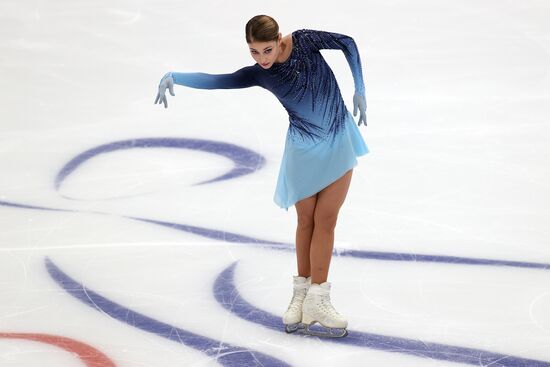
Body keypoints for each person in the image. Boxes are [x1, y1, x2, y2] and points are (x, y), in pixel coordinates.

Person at [155, 14, 369, 338]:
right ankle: (301, 297)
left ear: (280, 39)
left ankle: (319, 297)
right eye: (254, 52)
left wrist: (360, 89)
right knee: (306, 222)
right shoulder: (260, 75)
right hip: (302, 151)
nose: (262, 59)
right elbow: (219, 80)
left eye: (266, 50)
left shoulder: (305, 41)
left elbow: (347, 44)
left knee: (326, 220)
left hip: (339, 140)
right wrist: (175, 76)